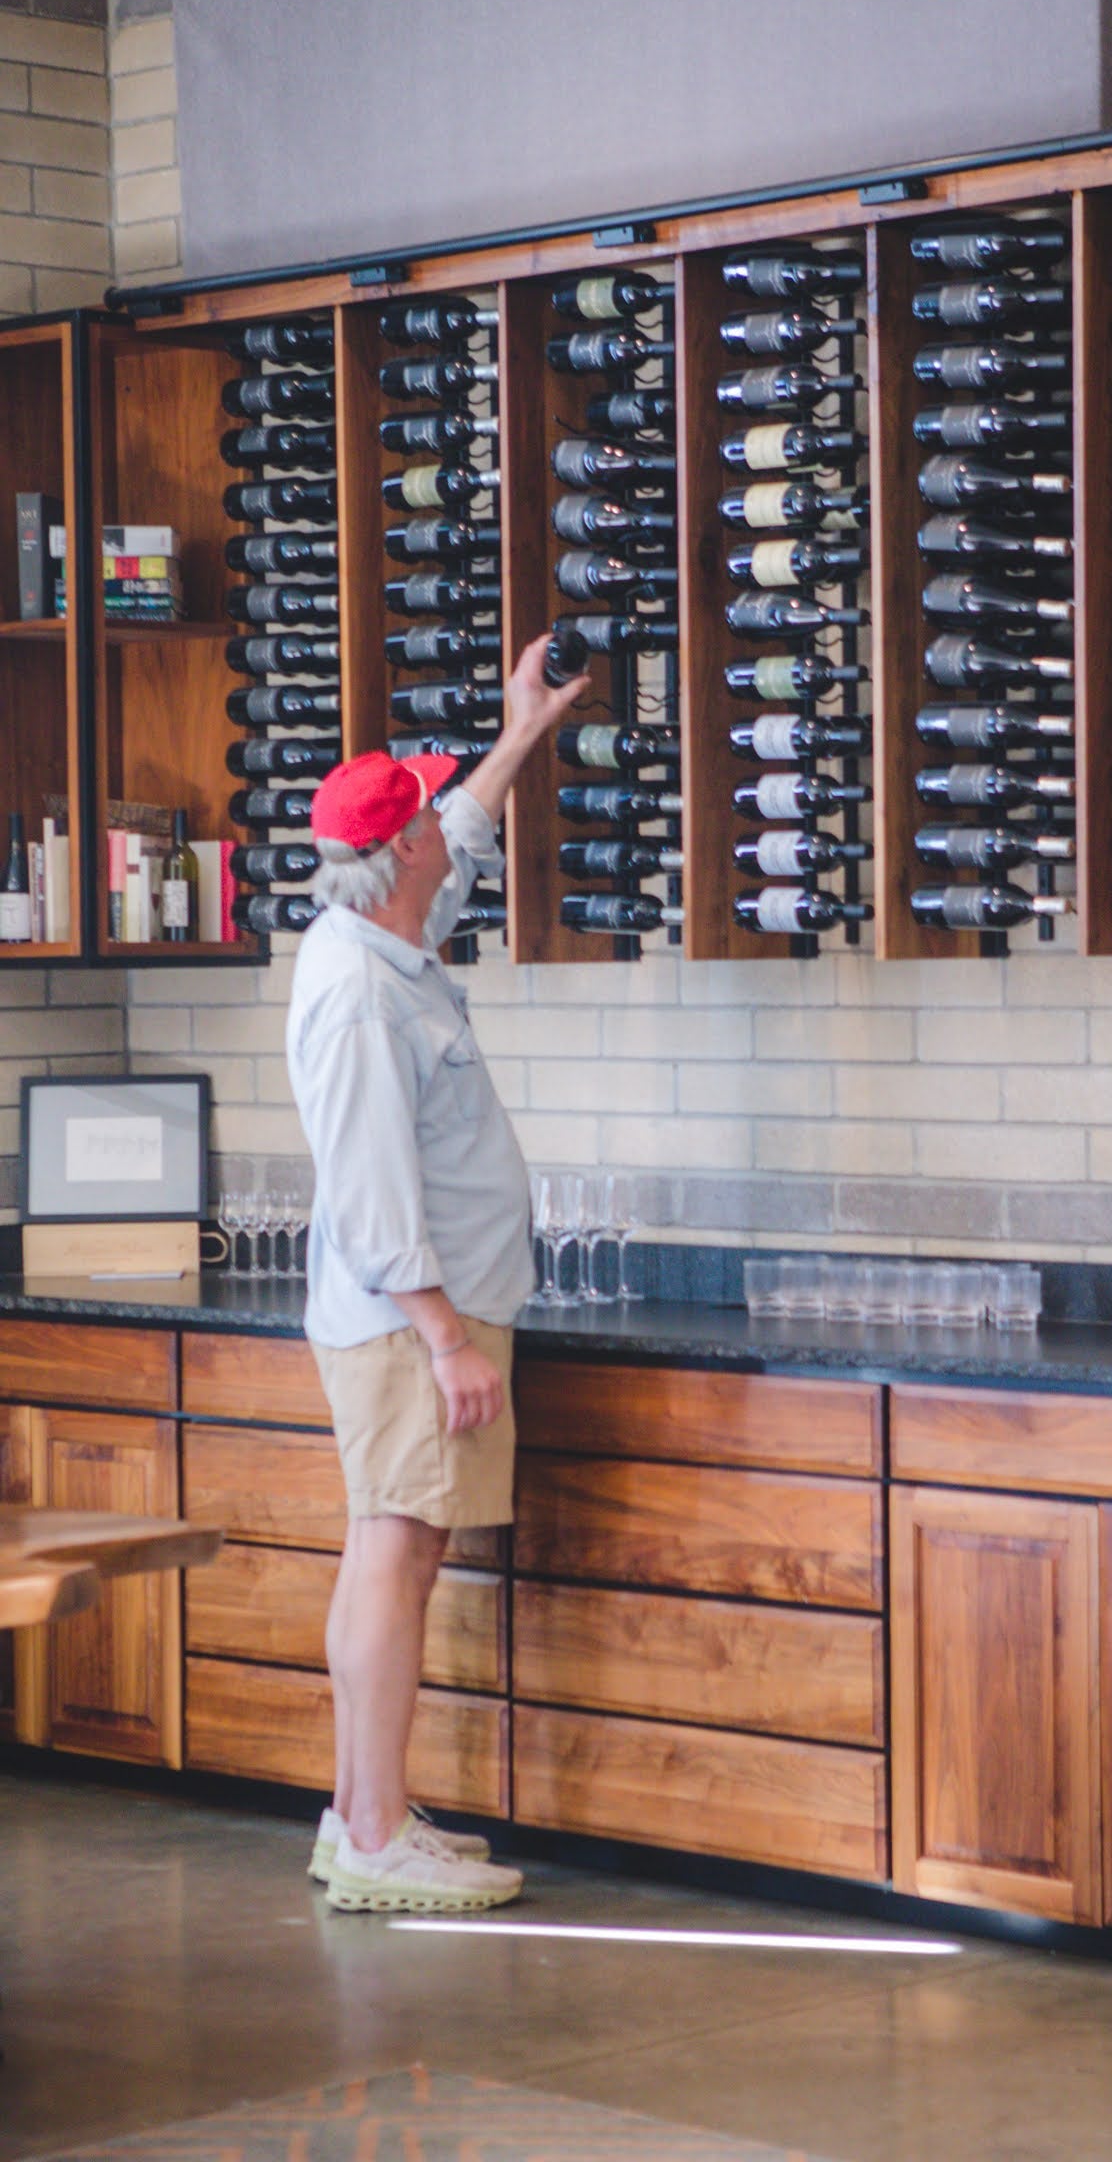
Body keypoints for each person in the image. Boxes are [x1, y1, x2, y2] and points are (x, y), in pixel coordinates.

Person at [286, 633, 586, 1913]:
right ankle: (370, 1832)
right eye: (420, 812)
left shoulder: (389, 929)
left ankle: (367, 1811)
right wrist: (444, 1338)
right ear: (391, 853)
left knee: (400, 1547)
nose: (437, 823)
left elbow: (459, 835)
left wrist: (525, 730)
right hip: (417, 1321)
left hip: (437, 1312)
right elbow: (367, 1190)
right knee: (393, 1550)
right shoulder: (358, 992)